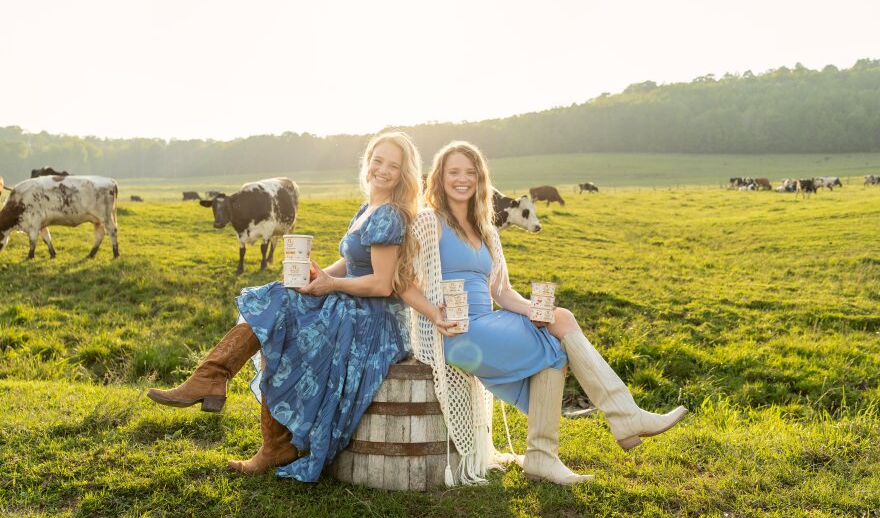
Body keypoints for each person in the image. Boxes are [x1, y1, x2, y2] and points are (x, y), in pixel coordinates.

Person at [402, 141, 687, 486]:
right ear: (439, 177)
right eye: (454, 172)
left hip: (486, 322)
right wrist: (435, 314)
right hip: (454, 330)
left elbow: (502, 292)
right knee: (556, 342)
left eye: (470, 172)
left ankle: (546, 456)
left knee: (558, 327)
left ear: (480, 179)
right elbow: (401, 282)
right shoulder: (427, 222)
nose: (462, 179)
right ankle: (619, 420)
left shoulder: (486, 228)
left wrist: (539, 310)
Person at [147, 131, 421, 481]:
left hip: (375, 319)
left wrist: (331, 285)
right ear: (367, 162)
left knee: (279, 307)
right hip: (355, 301)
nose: (382, 170)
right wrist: (317, 275)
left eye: (392, 166)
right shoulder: (368, 208)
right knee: (282, 300)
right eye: (377, 160)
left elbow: (382, 285)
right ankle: (256, 424)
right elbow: (351, 263)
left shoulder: (390, 216)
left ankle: (215, 382)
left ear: (403, 174)